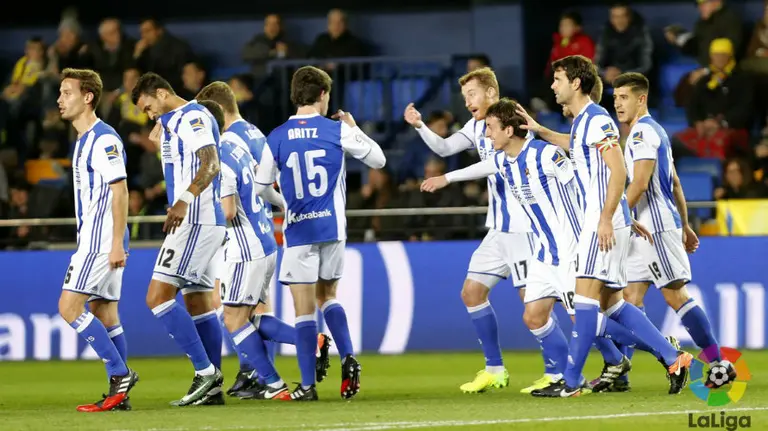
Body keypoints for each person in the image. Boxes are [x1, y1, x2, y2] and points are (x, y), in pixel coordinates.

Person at [420, 98, 659, 397]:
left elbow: (584, 185)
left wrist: (617, 213)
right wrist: (445, 178)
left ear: (509, 130)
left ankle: (661, 351)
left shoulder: (546, 155)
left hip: (570, 248)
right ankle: (593, 367)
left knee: (585, 319)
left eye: (492, 129)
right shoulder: (503, 159)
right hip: (544, 252)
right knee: (534, 316)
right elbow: (481, 167)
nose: (487, 135)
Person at [526, 55, 693, 398]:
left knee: (584, 303)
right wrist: (540, 130)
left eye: (558, 79)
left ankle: (571, 381)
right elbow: (580, 151)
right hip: (608, 219)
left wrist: (607, 219)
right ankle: (672, 356)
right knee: (612, 304)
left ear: (576, 83)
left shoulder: (598, 119)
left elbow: (619, 172)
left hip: (600, 221)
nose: (553, 85)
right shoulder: (584, 122)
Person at [404, 68, 544, 394]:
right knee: (472, 292)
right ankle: (495, 369)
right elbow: (442, 148)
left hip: (526, 229)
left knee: (537, 308)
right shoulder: (476, 126)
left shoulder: (514, 123)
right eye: (465, 96)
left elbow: (496, 163)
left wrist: (447, 179)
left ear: (491, 93)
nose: (467, 102)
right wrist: (420, 125)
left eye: (472, 95)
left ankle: (578, 366)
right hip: (499, 230)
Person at [251, 66, 385, 400]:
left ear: (295, 95)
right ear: (323, 94)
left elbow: (260, 186)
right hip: (333, 227)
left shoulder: (277, 136)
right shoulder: (337, 130)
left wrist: (285, 204)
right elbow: (380, 161)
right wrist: (354, 129)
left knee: (304, 311)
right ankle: (349, 356)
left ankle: (308, 386)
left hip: (300, 230)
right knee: (329, 296)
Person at [196, 83, 331, 397]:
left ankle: (265, 378)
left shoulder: (226, 145)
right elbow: (265, 181)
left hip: (243, 242)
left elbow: (229, 206)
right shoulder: (252, 136)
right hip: (264, 234)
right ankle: (289, 355)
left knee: (232, 314)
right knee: (249, 314)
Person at [613, 72, 735, 389]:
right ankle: (635, 368)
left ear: (642, 98)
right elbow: (676, 183)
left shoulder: (642, 134)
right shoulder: (654, 132)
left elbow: (639, 183)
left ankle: (720, 364)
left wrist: (614, 215)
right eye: (615, 98)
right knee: (629, 297)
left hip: (654, 226)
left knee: (675, 295)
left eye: (624, 97)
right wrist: (686, 224)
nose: (618, 104)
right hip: (648, 229)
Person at [132, 72, 225, 406]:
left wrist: (184, 199)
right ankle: (212, 388)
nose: (149, 115)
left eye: (148, 107)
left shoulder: (192, 116)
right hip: (202, 220)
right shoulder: (175, 123)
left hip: (195, 218)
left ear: (161, 92)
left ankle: (205, 372)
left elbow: (211, 163)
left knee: (157, 297)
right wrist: (162, 130)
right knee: (198, 301)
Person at [56, 68, 138, 412]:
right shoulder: (83, 140)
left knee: (69, 308)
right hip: (102, 237)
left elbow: (120, 191)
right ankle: (119, 394)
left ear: (88, 97)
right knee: (104, 311)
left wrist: (116, 241)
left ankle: (120, 373)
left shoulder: (103, 139)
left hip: (101, 240)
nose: (60, 100)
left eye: (67, 93)